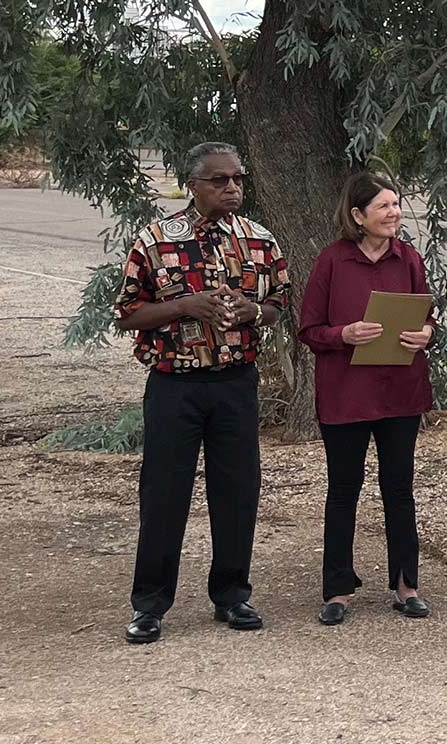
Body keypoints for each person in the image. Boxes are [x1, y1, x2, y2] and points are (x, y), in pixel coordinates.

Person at [117, 142, 290, 644]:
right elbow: (127, 313)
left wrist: (251, 311)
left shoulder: (259, 240)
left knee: (237, 492)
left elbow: (279, 301)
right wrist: (185, 306)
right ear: (192, 185)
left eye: (237, 179)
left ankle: (232, 595)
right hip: (175, 386)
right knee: (165, 494)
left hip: (236, 383)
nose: (232, 188)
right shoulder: (156, 240)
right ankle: (150, 605)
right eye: (220, 180)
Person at [296, 172, 435, 625]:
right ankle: (337, 590)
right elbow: (309, 329)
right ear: (358, 216)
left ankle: (405, 584)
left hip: (400, 392)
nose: (394, 212)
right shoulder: (331, 262)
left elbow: (427, 319)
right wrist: (344, 334)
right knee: (343, 490)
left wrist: (425, 334)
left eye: (396, 204)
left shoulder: (409, 259)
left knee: (399, 489)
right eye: (384, 206)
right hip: (346, 395)